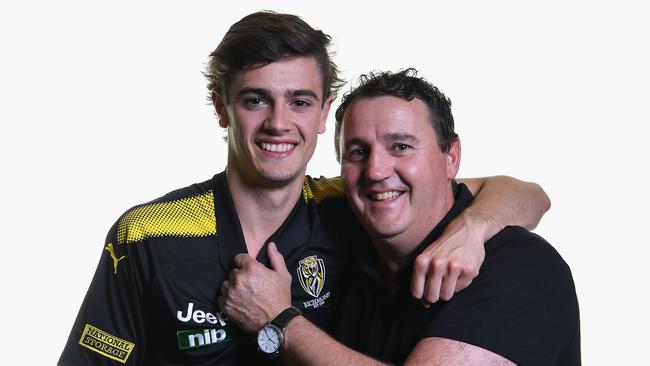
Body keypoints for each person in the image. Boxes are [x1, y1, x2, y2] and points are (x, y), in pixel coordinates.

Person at [58, 11, 550, 366]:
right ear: (220, 107)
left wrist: (472, 229)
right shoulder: (147, 235)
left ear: (322, 112)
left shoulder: (356, 206)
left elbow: (523, 192)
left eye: (299, 101)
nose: (278, 123)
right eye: (255, 100)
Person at [218, 69, 579, 365]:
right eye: (357, 151)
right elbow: (521, 191)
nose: (376, 170)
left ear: (450, 157)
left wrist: (280, 320)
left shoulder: (520, 267)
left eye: (401, 147)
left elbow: (533, 193)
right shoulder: (345, 229)